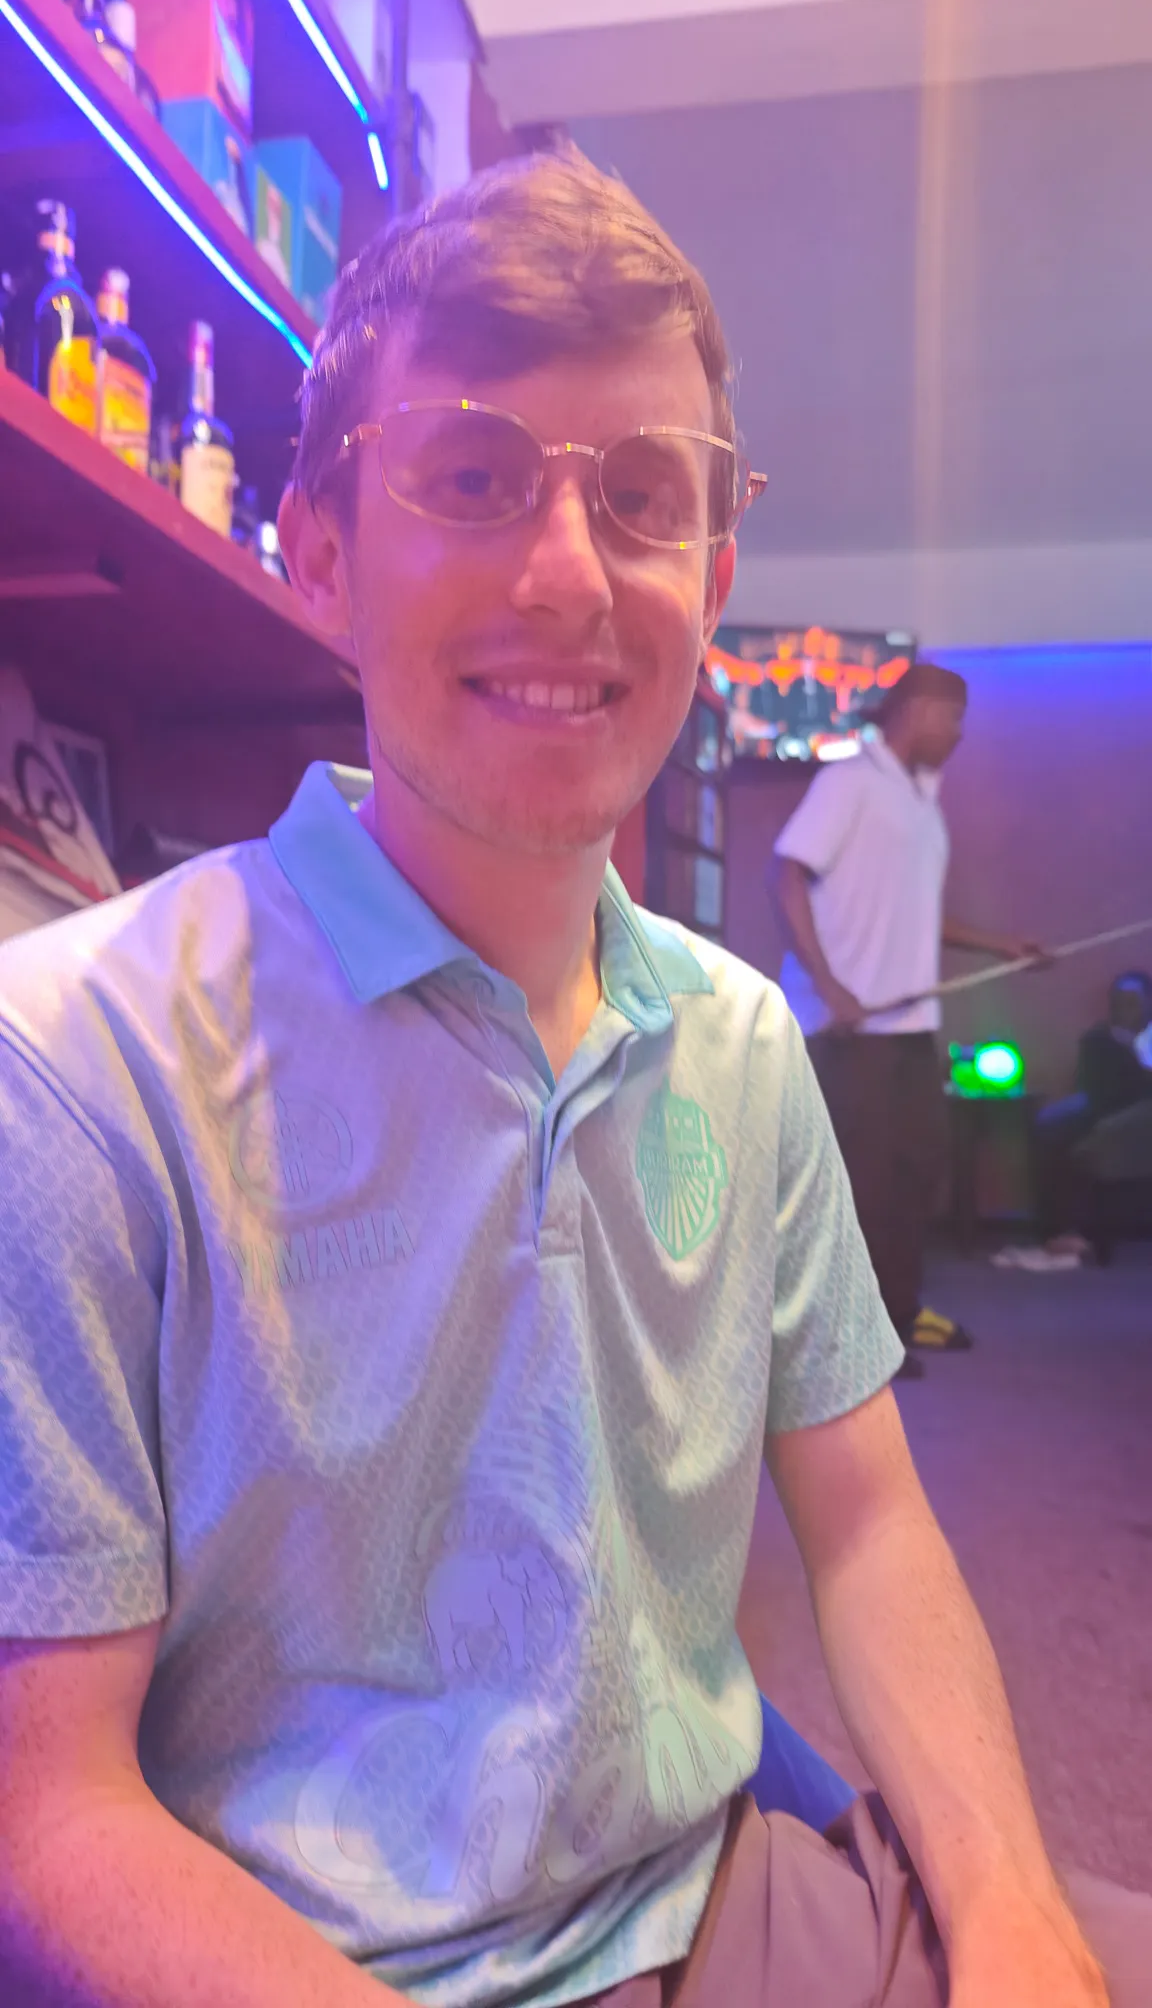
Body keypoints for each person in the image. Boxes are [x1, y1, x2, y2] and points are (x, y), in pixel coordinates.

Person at [0, 152, 1147, 2008]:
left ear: (710, 568)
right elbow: (48, 1813)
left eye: (640, 498)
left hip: (709, 1904)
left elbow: (865, 1526)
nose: (566, 574)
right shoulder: (70, 1067)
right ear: (316, 541)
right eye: (470, 478)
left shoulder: (737, 1041)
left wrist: (1010, 1917)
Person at [773, 662, 1045, 1374]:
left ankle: (894, 1317)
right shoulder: (849, 782)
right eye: (952, 717)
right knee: (862, 1186)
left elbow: (916, 913)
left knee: (918, 1173)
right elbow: (790, 875)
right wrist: (831, 987)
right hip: (848, 1033)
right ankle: (851, 1341)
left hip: (907, 1027)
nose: (958, 734)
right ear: (918, 710)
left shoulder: (923, 799)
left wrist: (1002, 948)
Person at [998, 970, 1152, 1270]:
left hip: (1139, 1110)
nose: (1124, 1008)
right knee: (1047, 1126)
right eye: (1118, 1001)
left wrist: (1130, 1050)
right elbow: (1089, 1081)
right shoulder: (1099, 1037)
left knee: (1105, 1135)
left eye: (1132, 1001)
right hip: (1100, 1101)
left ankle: (1089, 1235)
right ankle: (1054, 1231)